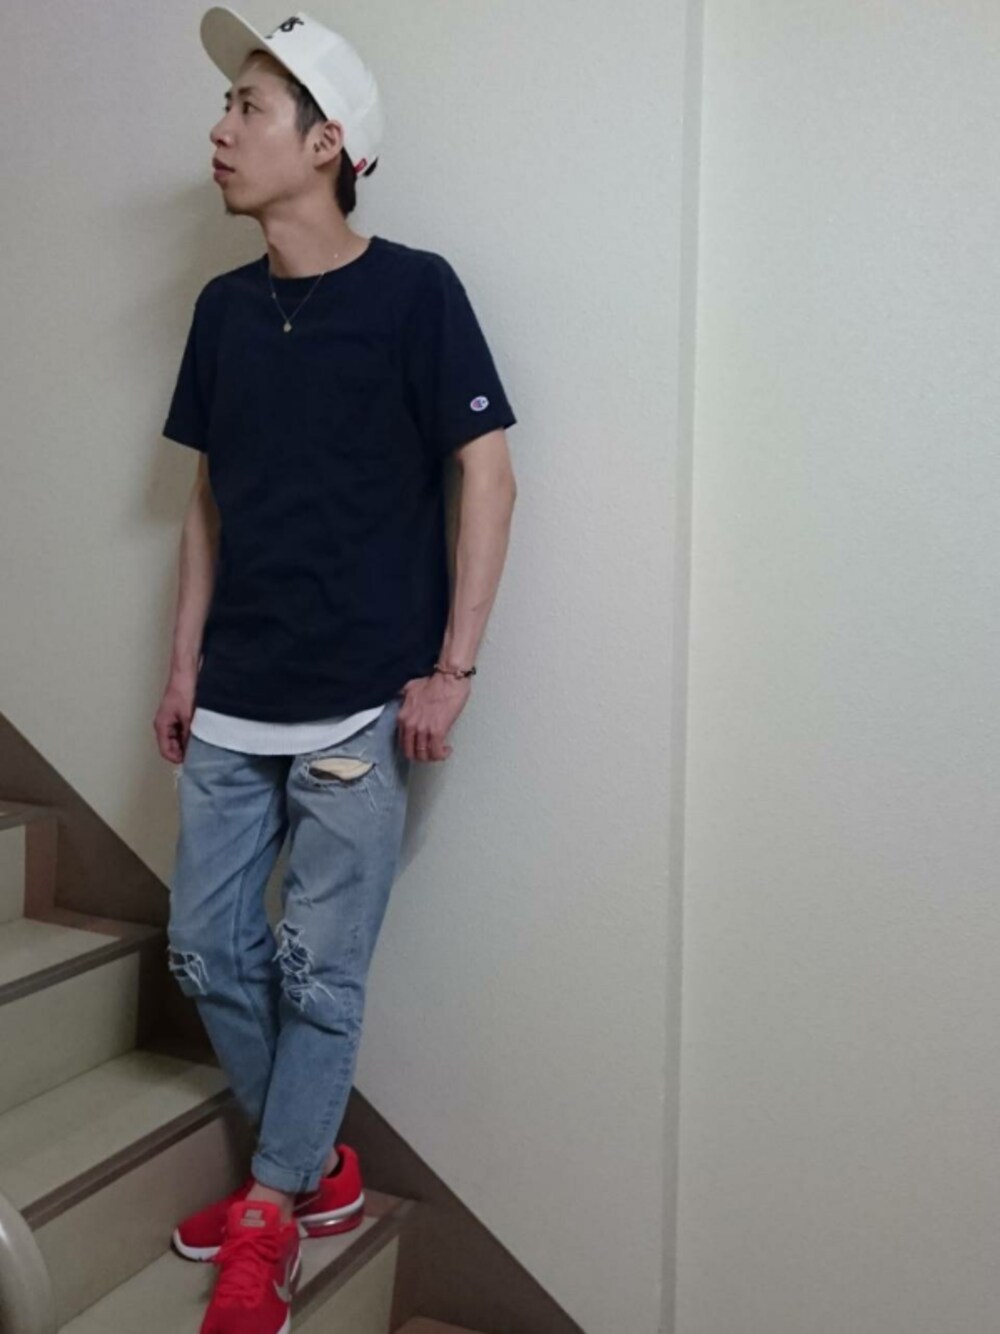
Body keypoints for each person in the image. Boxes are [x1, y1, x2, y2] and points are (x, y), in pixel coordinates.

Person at [152, 8, 518, 1332]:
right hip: (235, 691)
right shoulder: (222, 310)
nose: (220, 130)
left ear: (328, 144)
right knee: (205, 949)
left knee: (317, 967)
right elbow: (209, 499)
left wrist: (453, 669)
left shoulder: (417, 292)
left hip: (360, 701)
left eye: (248, 108)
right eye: (228, 107)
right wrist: (183, 663)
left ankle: (267, 1213)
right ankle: (314, 1172)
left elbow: (488, 474)